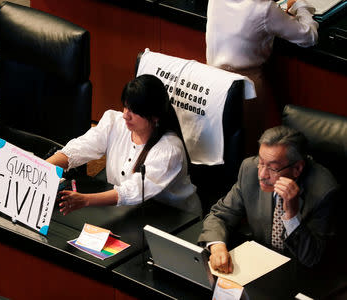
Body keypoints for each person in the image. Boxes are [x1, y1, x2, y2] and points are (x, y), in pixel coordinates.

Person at [47, 74, 202, 217]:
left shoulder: (169, 150)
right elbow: (80, 148)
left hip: (174, 219)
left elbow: (134, 191)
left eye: (134, 111)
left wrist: (86, 200)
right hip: (128, 212)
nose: (125, 115)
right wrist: (41, 167)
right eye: (126, 106)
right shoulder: (114, 122)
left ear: (154, 116)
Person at [198, 126, 338, 272]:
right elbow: (220, 215)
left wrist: (292, 216)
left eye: (272, 168)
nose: (262, 174)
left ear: (297, 169)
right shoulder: (249, 169)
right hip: (260, 264)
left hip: (301, 274)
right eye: (261, 162)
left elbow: (311, 258)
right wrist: (217, 247)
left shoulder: (323, 191)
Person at [206, 0, 319, 156]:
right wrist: (302, 7)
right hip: (247, 86)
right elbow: (309, 37)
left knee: (217, 149)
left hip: (212, 81)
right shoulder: (264, 9)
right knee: (249, 151)